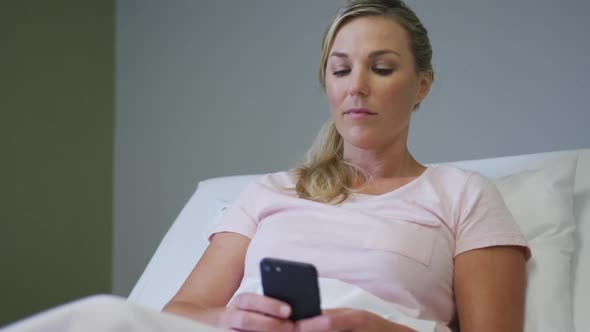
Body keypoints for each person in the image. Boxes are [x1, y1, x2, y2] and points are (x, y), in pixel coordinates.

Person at [162, 1, 530, 331]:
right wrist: (230, 318)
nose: (356, 86)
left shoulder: (463, 194)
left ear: (422, 85)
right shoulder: (268, 192)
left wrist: (379, 329)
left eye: (381, 68)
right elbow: (177, 313)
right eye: (340, 70)